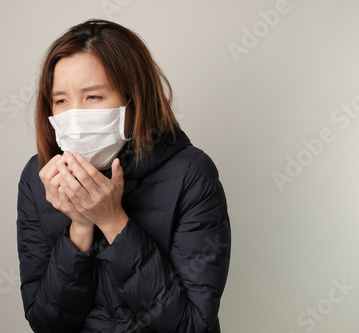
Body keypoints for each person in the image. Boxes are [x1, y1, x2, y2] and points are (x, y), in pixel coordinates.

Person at [16, 19, 231, 333]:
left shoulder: (191, 173)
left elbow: (192, 325)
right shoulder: (39, 179)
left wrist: (113, 221)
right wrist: (80, 226)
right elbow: (46, 324)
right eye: (61, 100)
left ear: (133, 99)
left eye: (93, 97)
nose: (74, 115)